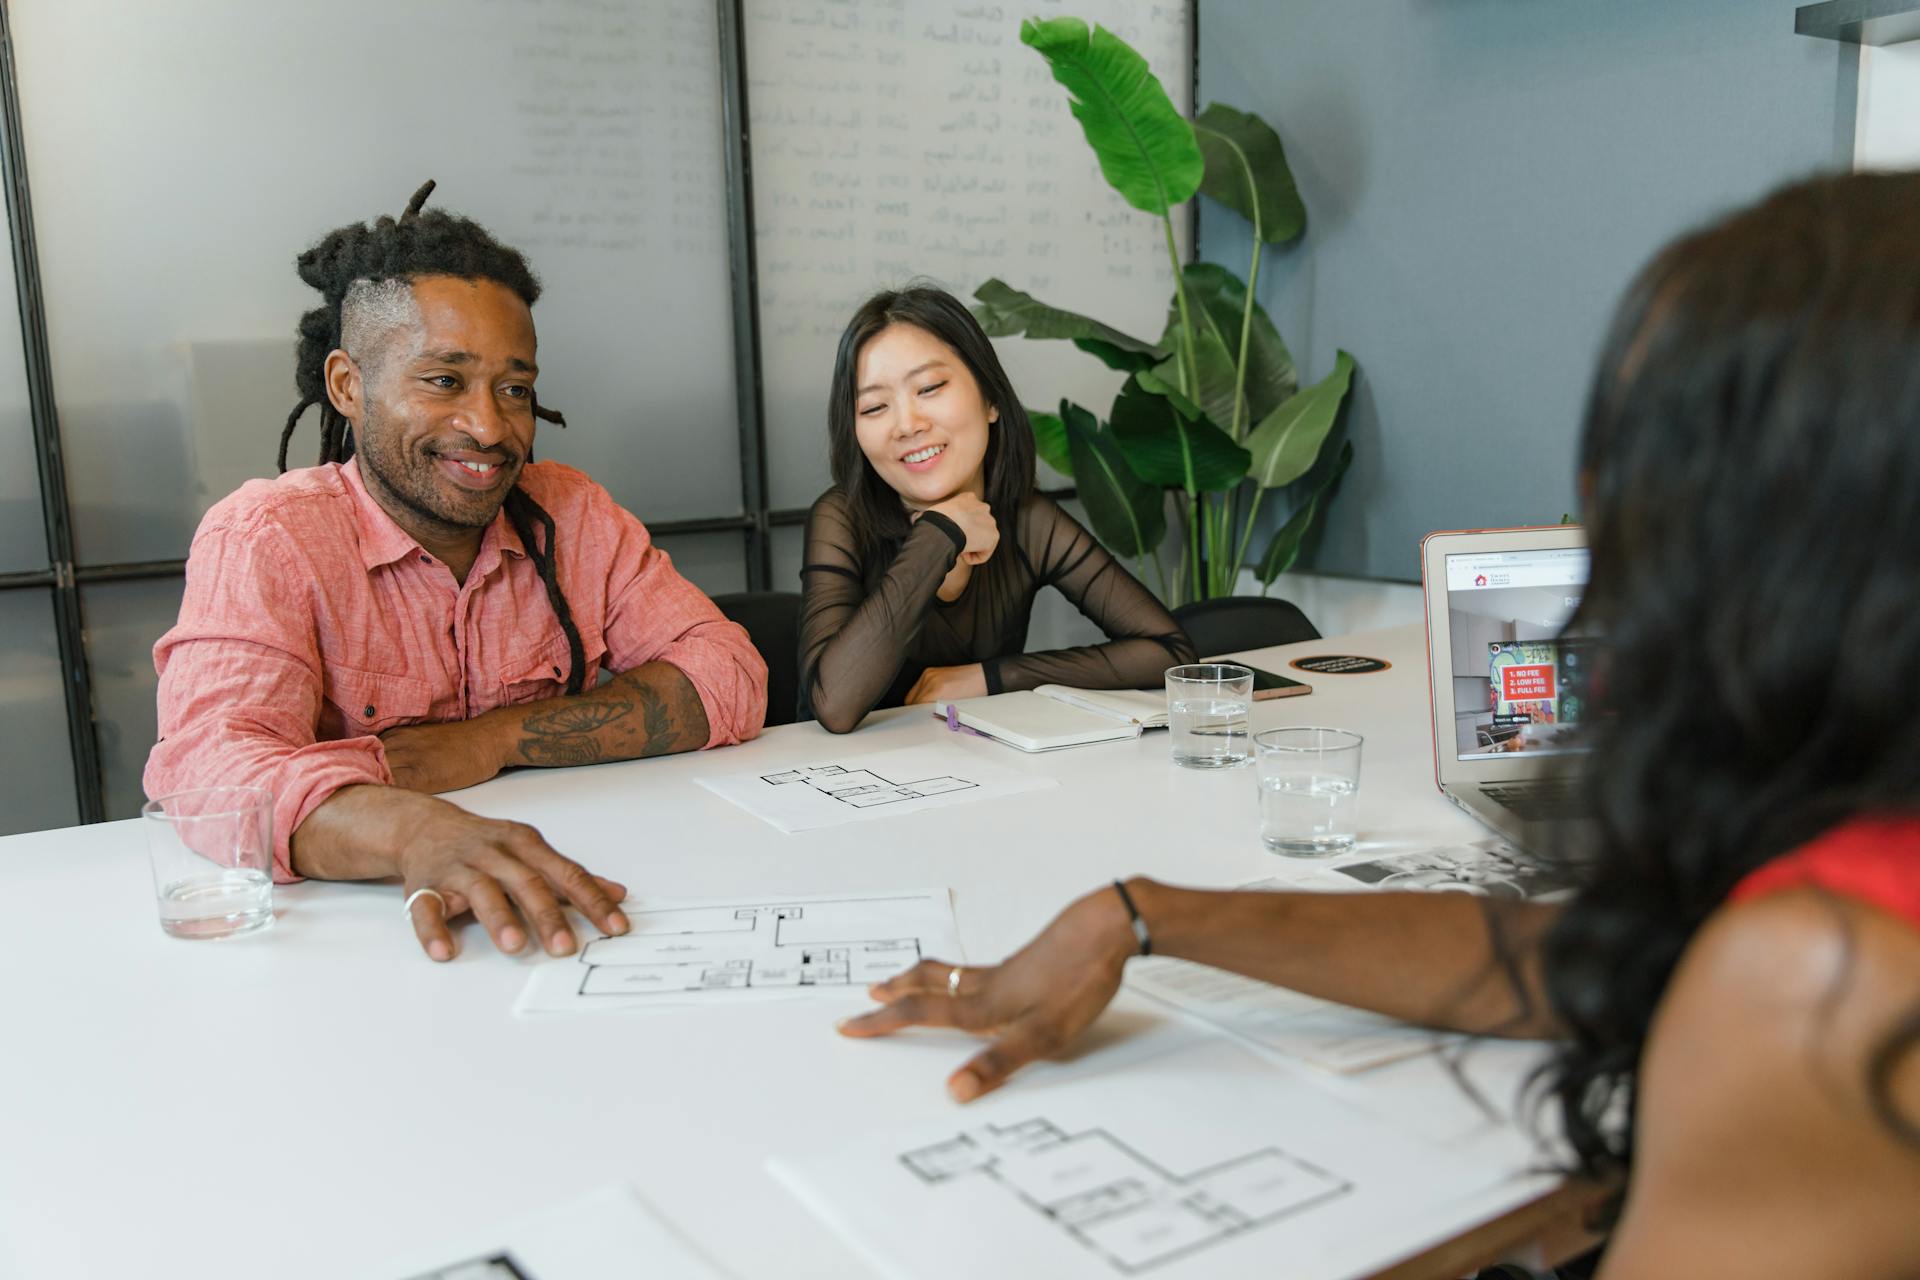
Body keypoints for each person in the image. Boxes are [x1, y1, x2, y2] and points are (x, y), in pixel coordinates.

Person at [840, 173, 1920, 1274]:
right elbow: (1586, 960)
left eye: (1647, 478)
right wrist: (1144, 913)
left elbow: (1162, 648)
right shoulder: (1834, 862)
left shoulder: (1822, 980)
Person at [145, 182, 767, 963]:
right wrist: (412, 827)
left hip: (594, 904)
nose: (488, 426)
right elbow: (213, 777)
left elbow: (728, 676)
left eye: (515, 389)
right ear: (348, 386)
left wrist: (490, 742)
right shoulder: (267, 538)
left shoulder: (570, 511)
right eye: (444, 380)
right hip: (358, 950)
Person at [799, 286, 1196, 733]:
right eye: (874, 407)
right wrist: (941, 532)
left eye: (929, 387)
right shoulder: (842, 519)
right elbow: (833, 705)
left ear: (990, 399)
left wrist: (993, 677)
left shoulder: (1026, 520)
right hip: (854, 788)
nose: (907, 424)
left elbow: (1169, 651)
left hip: (982, 773)